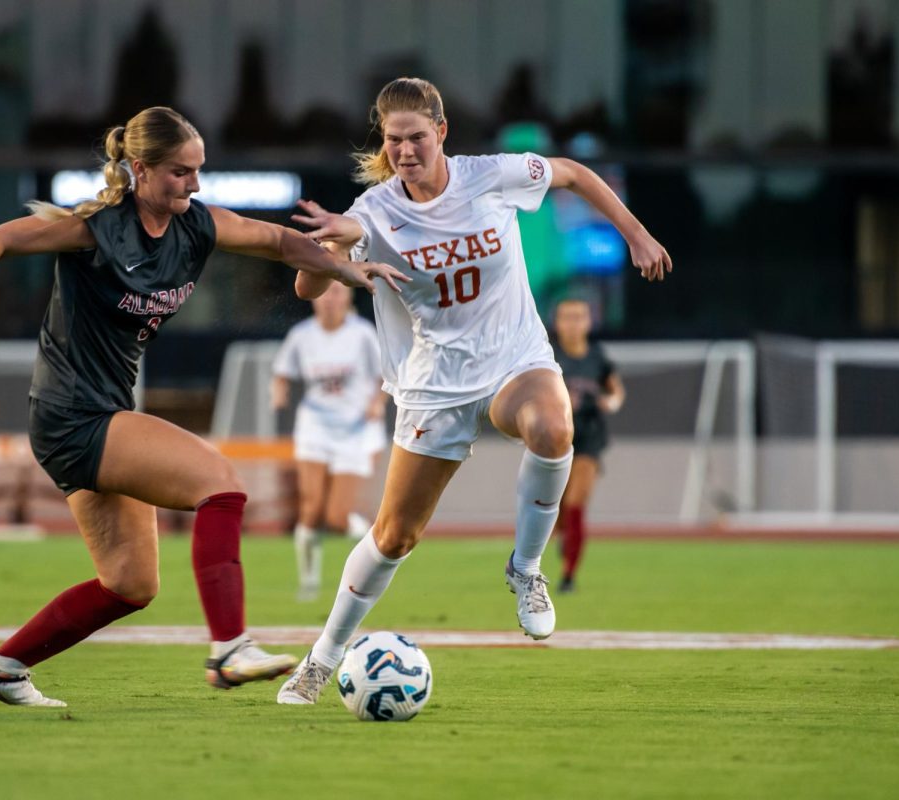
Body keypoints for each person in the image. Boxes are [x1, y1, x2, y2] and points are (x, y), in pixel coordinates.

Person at [0, 106, 407, 707]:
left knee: (130, 583)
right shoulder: (97, 228)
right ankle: (229, 649)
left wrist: (342, 268)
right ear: (139, 169)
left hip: (97, 412)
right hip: (73, 414)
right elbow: (1, 238)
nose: (194, 184)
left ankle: (2, 668)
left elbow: (276, 241)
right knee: (220, 484)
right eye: (179, 173)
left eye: (198, 171)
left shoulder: (197, 225)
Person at [275, 77, 670, 705]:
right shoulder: (373, 210)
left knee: (553, 426)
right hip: (434, 384)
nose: (405, 150)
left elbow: (572, 173)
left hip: (514, 356)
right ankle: (322, 660)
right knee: (394, 536)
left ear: (443, 132)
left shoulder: (491, 175)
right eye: (394, 139)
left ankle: (527, 568)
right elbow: (305, 291)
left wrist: (636, 234)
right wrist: (331, 254)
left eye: (417, 137)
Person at [269, 281, 387, 601]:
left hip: (355, 430)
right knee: (310, 508)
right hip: (315, 426)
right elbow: (282, 373)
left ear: (348, 296)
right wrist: (277, 394)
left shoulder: (362, 334)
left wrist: (377, 403)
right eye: (324, 292)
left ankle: (375, 547)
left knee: (336, 517)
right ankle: (308, 582)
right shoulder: (302, 336)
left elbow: (384, 376)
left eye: (337, 292)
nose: (329, 300)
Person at [549, 297, 625, 593]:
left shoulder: (597, 356)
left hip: (590, 436)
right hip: (556, 439)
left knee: (576, 503)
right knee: (556, 508)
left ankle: (569, 574)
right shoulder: (548, 356)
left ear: (588, 321)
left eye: (579, 316)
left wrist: (611, 402)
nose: (573, 323)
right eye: (567, 317)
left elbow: (615, 388)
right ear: (557, 323)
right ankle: (561, 536)